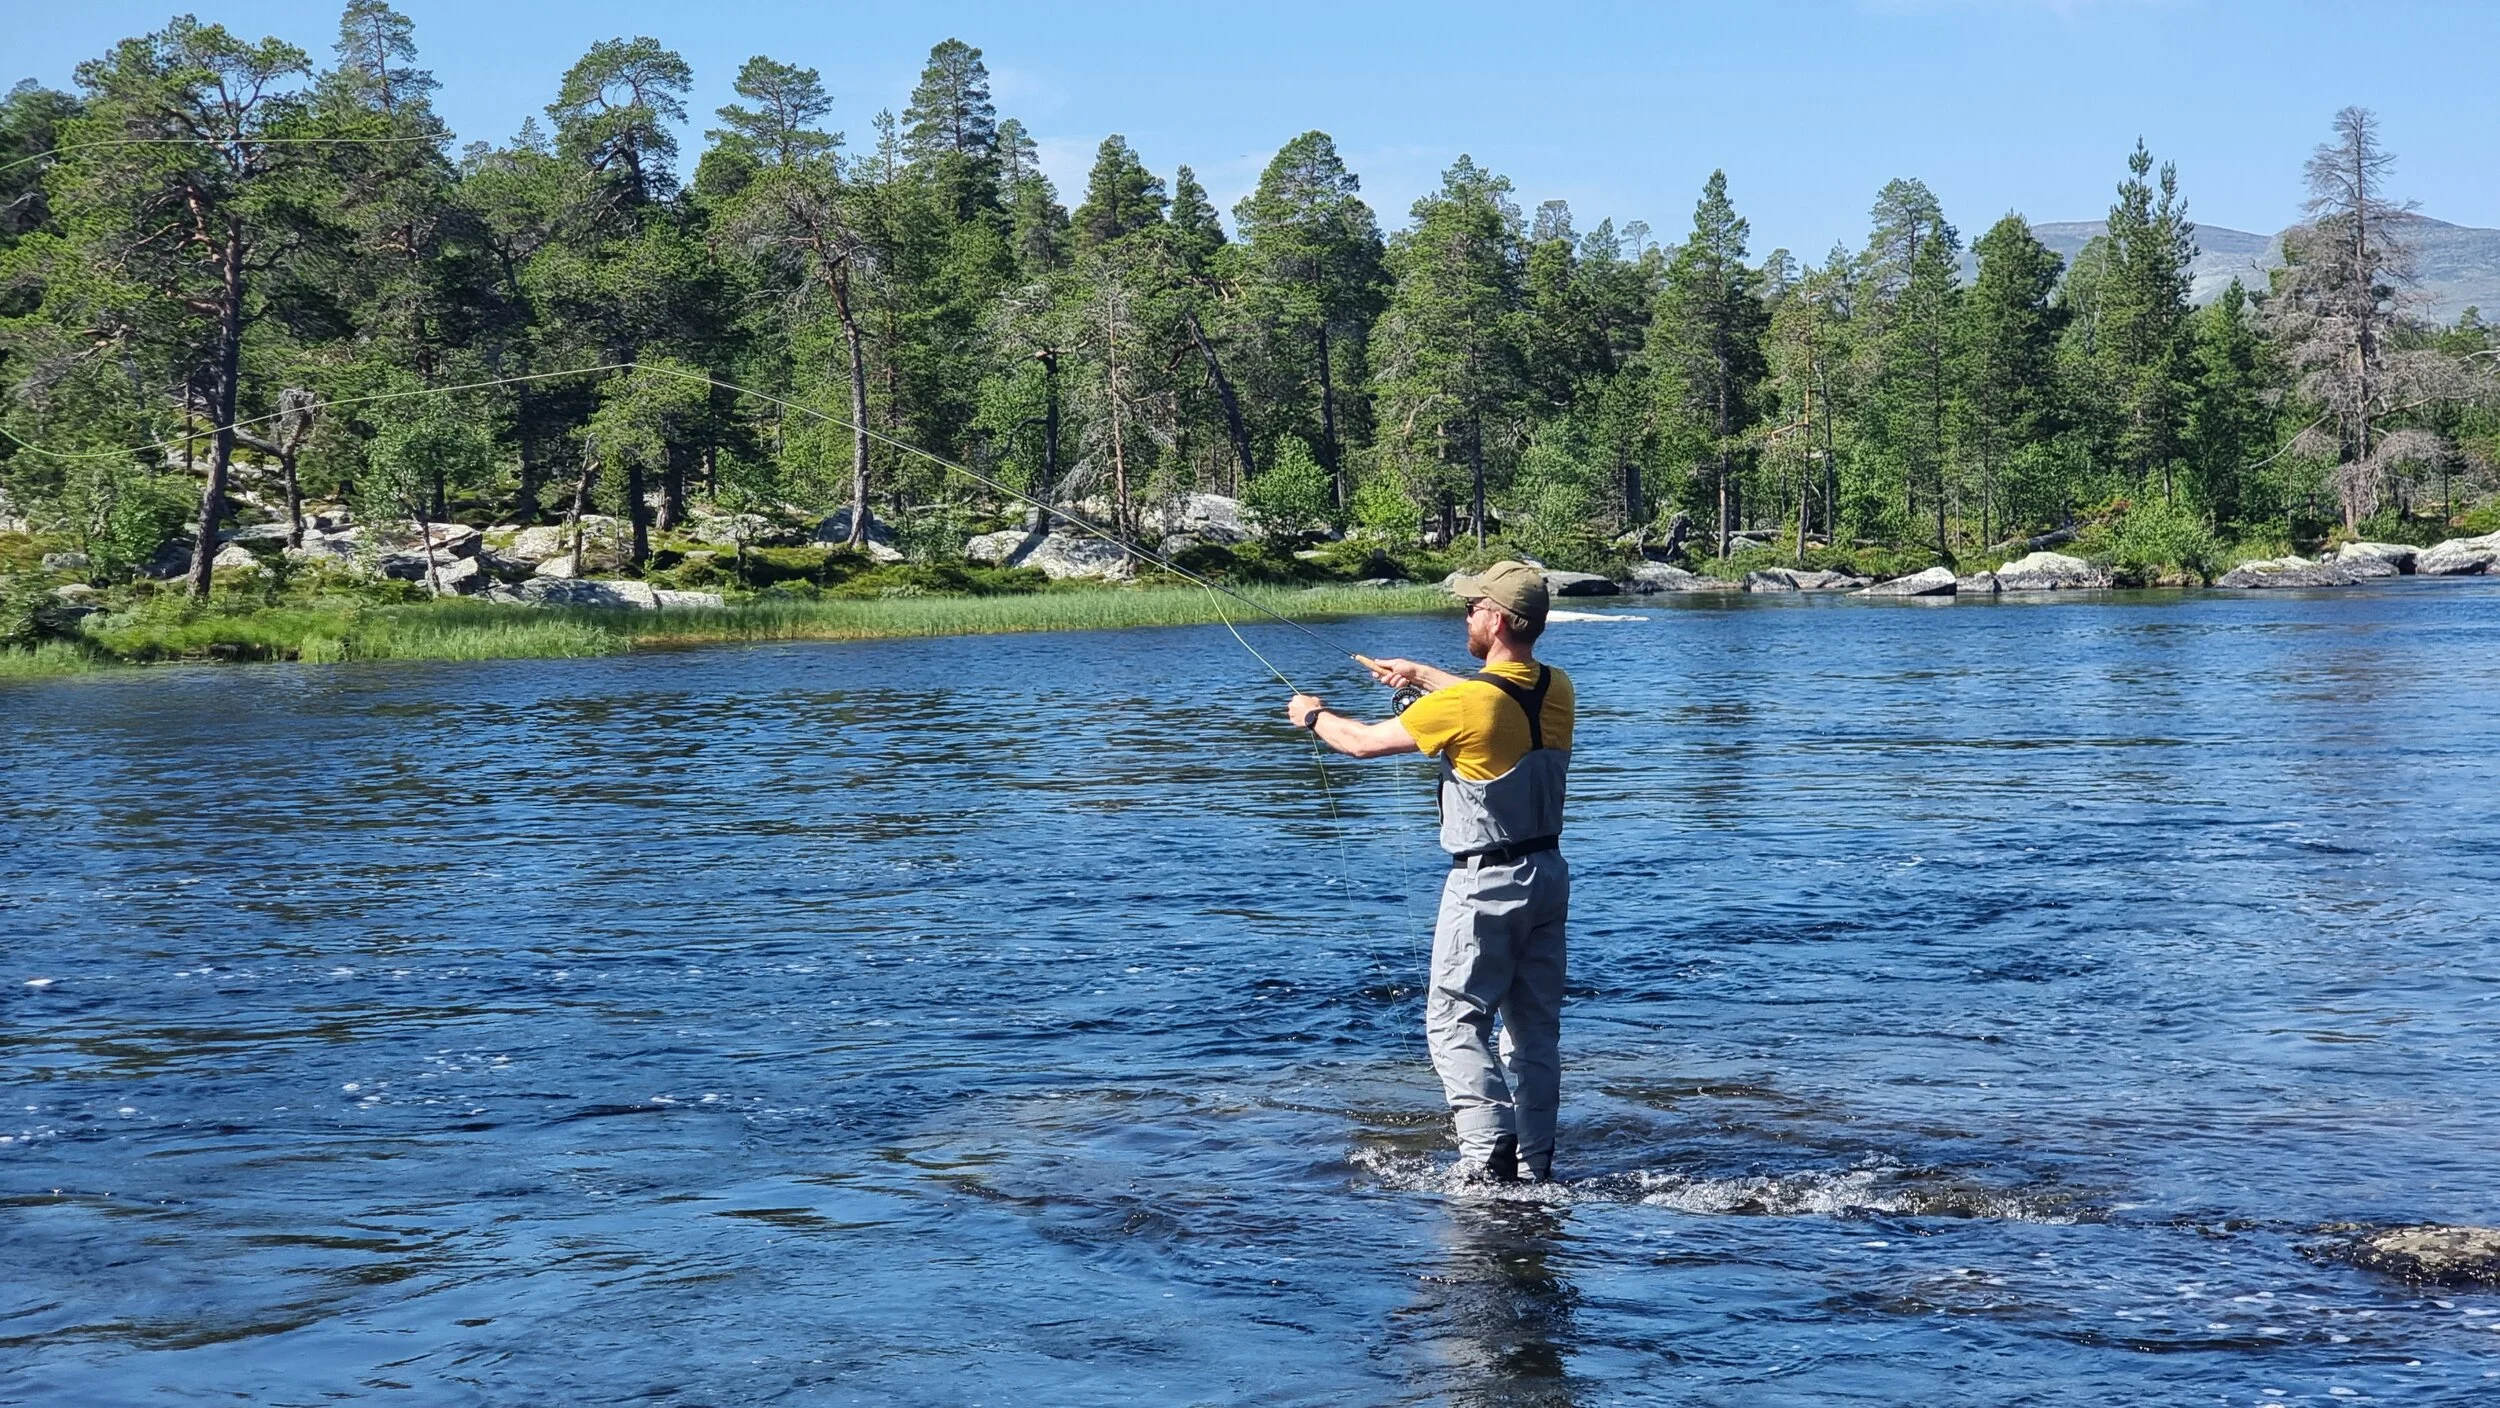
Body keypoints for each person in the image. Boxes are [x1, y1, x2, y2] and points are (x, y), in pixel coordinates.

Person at [1284, 560, 1575, 1184]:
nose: (1465, 616)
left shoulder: (1467, 703)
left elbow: (1361, 743)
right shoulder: (1556, 688)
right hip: (1548, 876)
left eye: (1473, 608)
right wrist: (1418, 674)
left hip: (1485, 883)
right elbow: (1497, 699)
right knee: (1533, 1032)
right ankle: (1535, 1165)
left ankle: (1487, 1152)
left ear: (1498, 619)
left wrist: (1312, 715)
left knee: (1453, 1020)